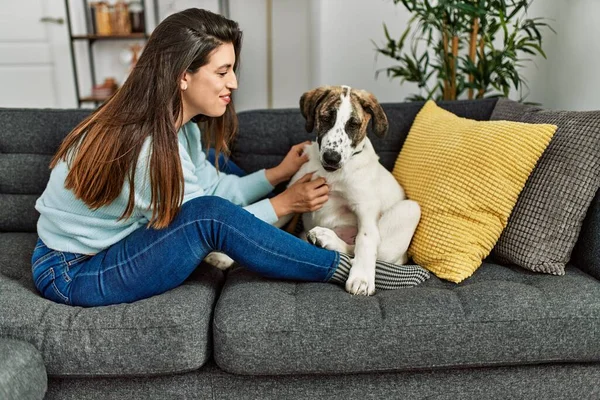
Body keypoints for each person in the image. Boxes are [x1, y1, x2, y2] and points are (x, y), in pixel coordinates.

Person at [31, 8, 428, 307]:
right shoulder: (145, 146)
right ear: (183, 75)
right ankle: (349, 267)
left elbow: (215, 187)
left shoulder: (180, 127)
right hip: (72, 272)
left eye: (233, 70)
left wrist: (277, 174)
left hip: (107, 249)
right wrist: (285, 202)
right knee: (210, 215)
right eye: (223, 72)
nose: (234, 83)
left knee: (224, 176)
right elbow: (206, 223)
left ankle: (324, 242)